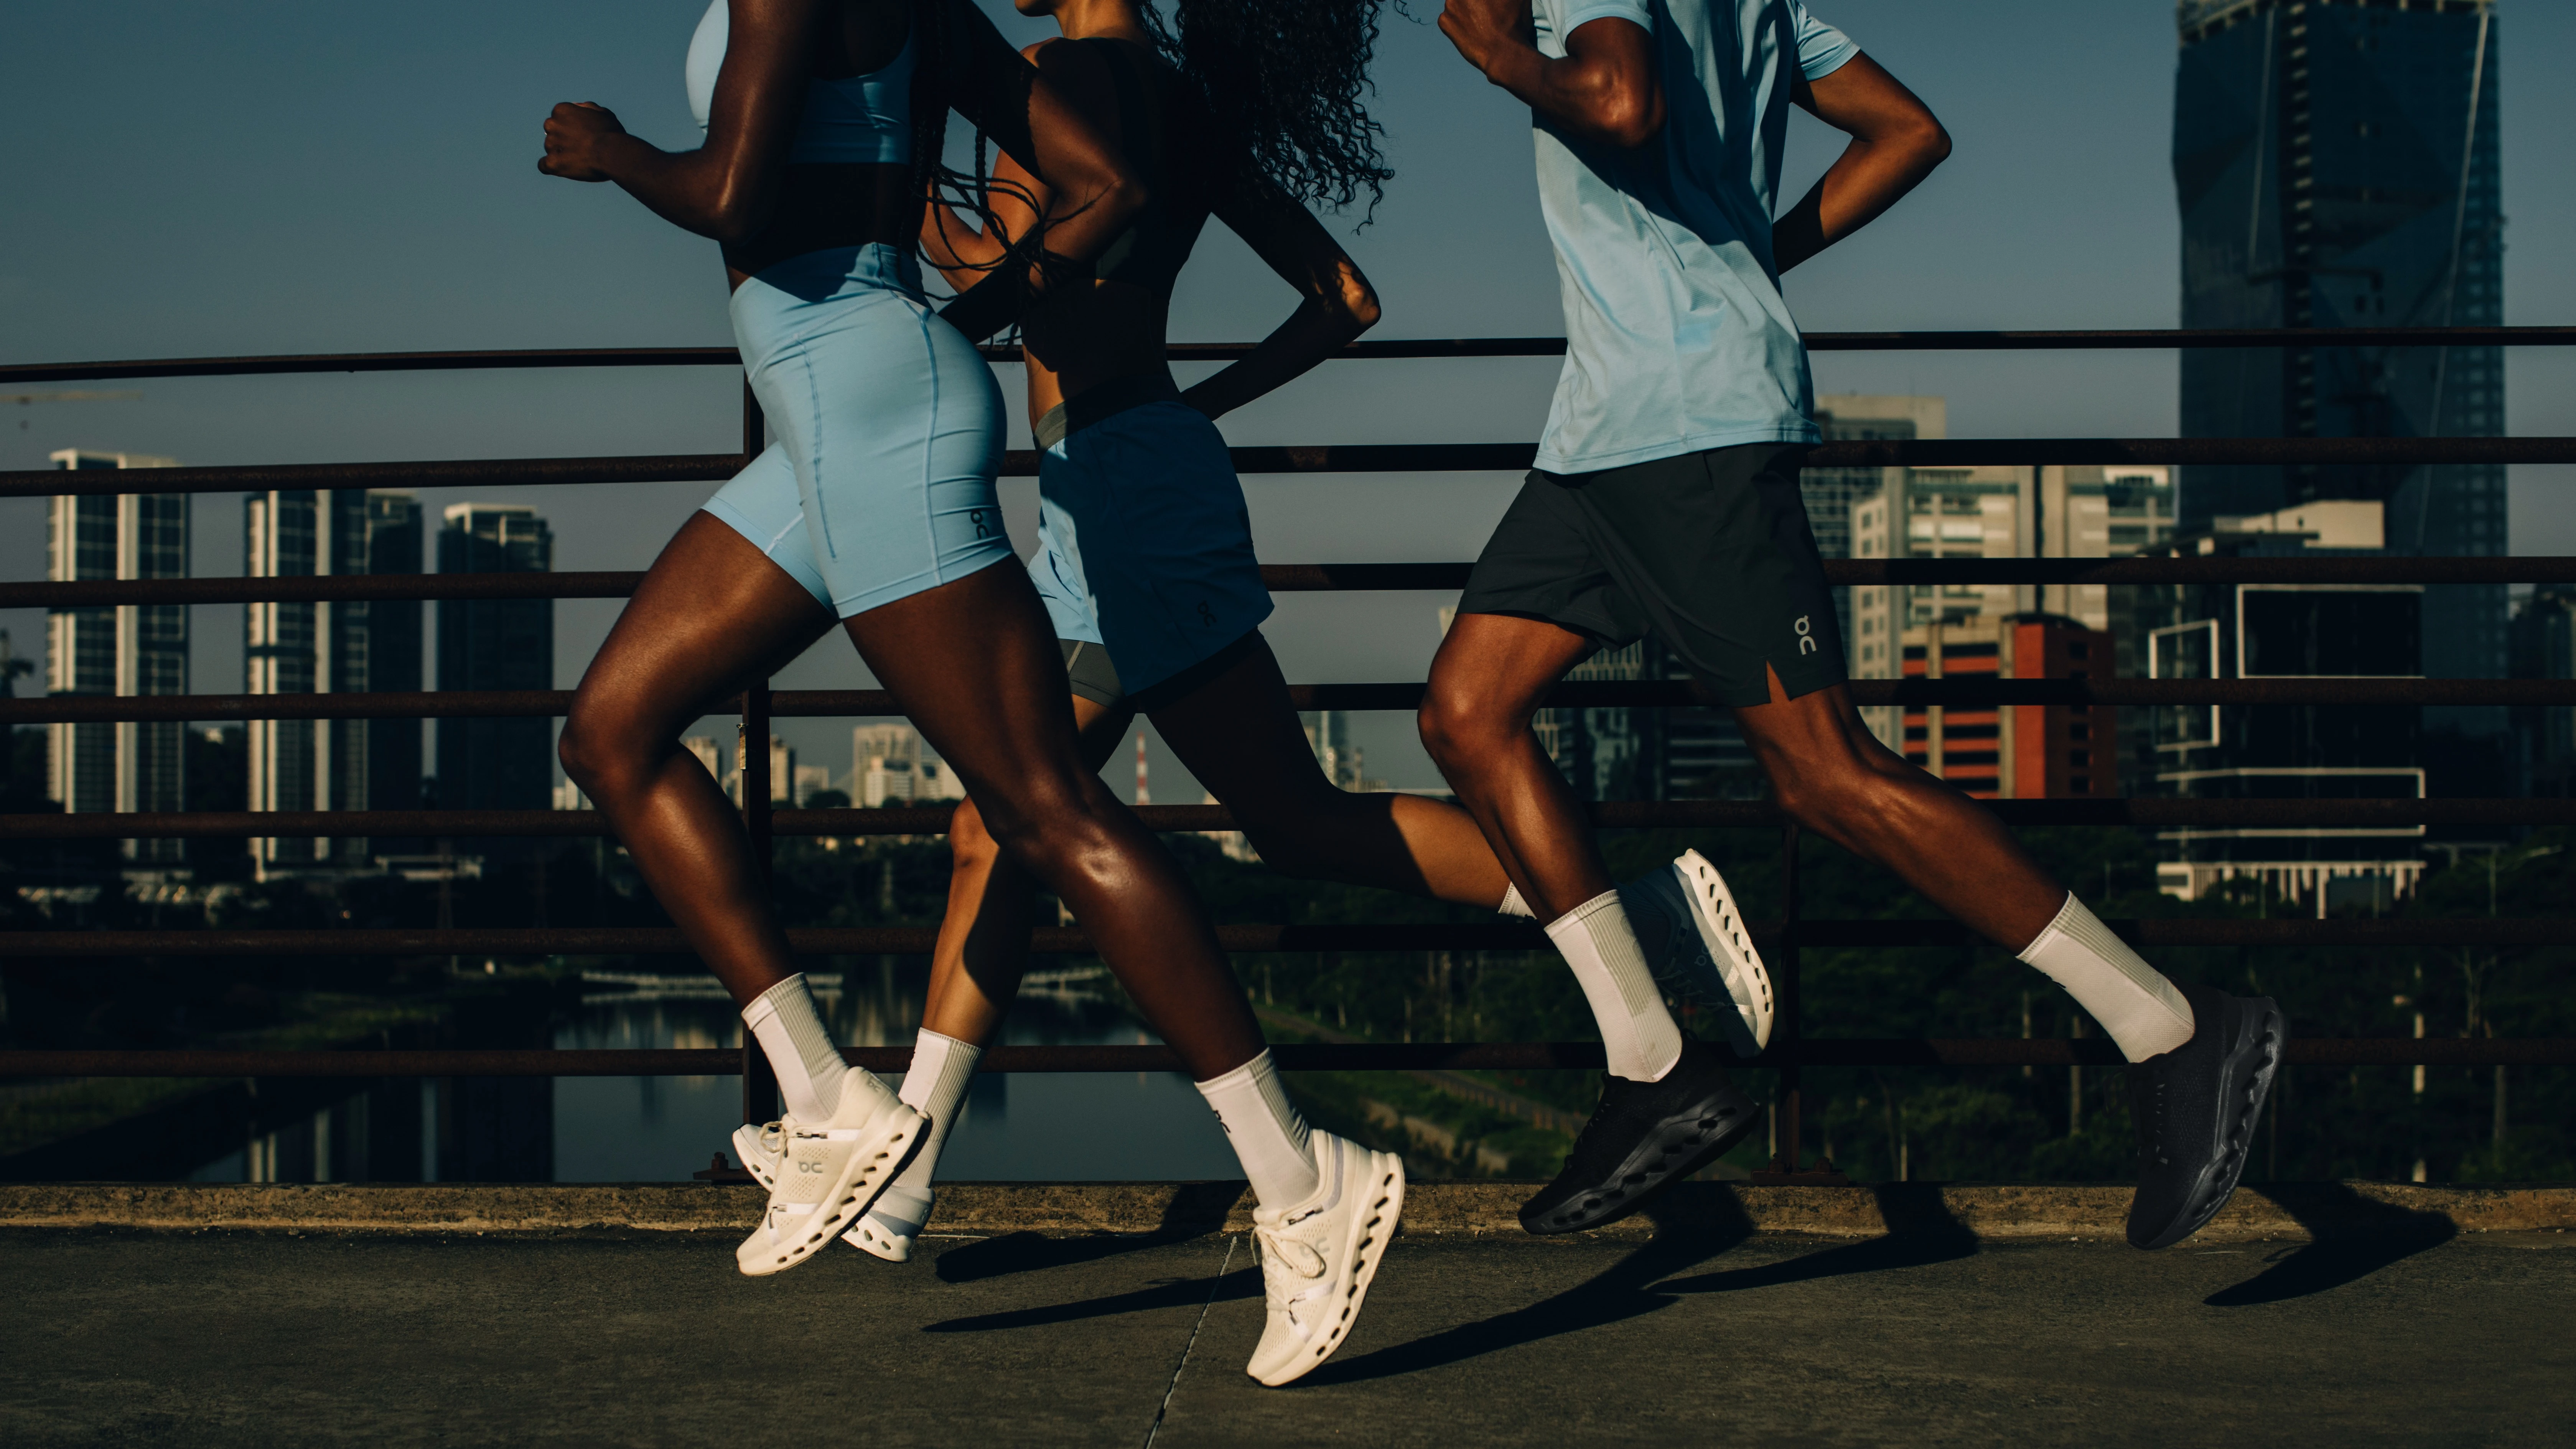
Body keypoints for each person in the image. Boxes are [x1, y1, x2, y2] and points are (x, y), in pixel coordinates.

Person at [750, 0, 1770, 1305]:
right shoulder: (1176, 95)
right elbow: (1342, 297)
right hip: (1124, 481)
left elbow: (1008, 270)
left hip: (1122, 498)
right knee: (998, 825)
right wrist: (1195, 408)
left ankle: (1632, 927)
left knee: (1277, 818)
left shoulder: (1054, 79)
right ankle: (910, 1171)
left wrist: (904, 197)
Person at [537, 3, 1395, 1369]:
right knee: (615, 731)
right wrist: (970, 319)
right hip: (850, 410)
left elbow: (730, 194)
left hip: (865, 416)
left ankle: (1304, 1181)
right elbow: (1104, 188)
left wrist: (613, 150)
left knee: (1044, 807)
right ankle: (827, 1097)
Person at [1425, 0, 2283, 1248]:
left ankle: (2177, 1029)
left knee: (1827, 777)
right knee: (1465, 712)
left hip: (1687, 437)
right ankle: (1651, 1061)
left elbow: (1617, 104)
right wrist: (1746, 256)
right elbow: (1905, 131)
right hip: (1600, 442)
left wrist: (1501, 57)